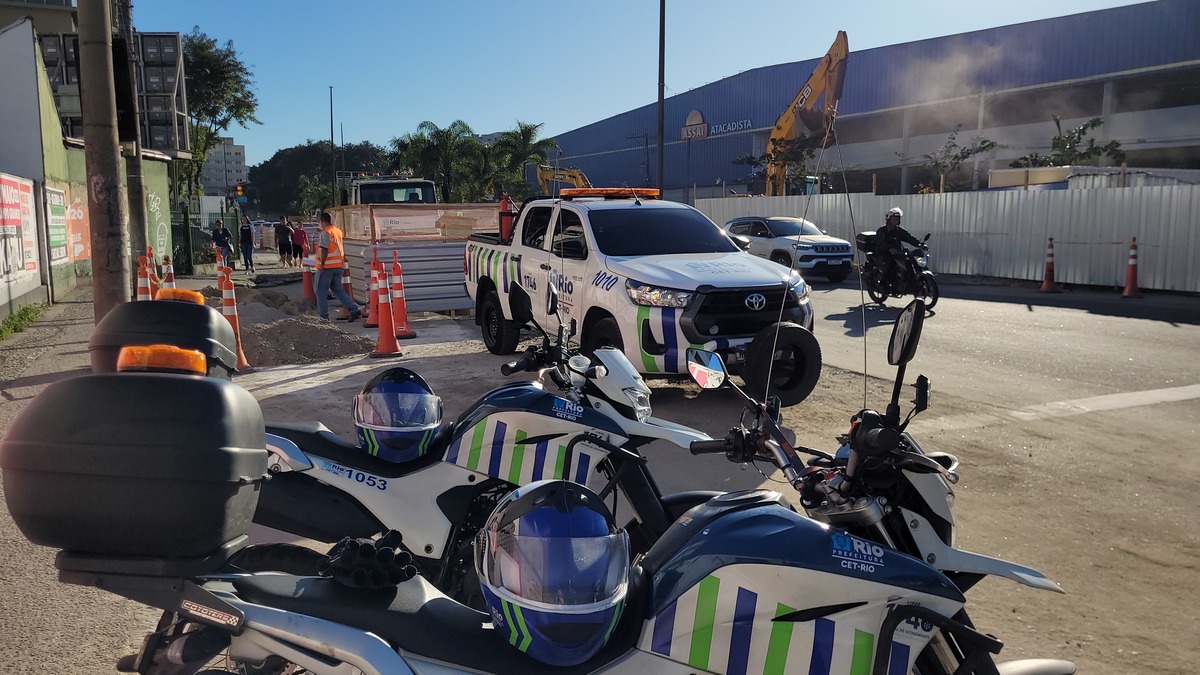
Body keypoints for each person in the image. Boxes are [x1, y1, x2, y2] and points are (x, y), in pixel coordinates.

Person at [315, 211, 361, 321]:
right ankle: (354, 309)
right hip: (338, 266)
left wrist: (322, 264)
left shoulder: (325, 233)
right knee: (337, 289)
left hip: (327, 266)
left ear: (322, 221)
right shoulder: (337, 231)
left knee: (320, 291)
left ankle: (323, 317)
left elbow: (324, 249)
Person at [874, 207, 923, 287]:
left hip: (897, 253)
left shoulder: (898, 230)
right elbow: (881, 243)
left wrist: (920, 244)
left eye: (897, 219)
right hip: (883, 254)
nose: (896, 221)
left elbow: (909, 238)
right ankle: (881, 283)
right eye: (894, 219)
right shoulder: (882, 231)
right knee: (890, 262)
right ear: (889, 220)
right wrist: (889, 248)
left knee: (909, 261)